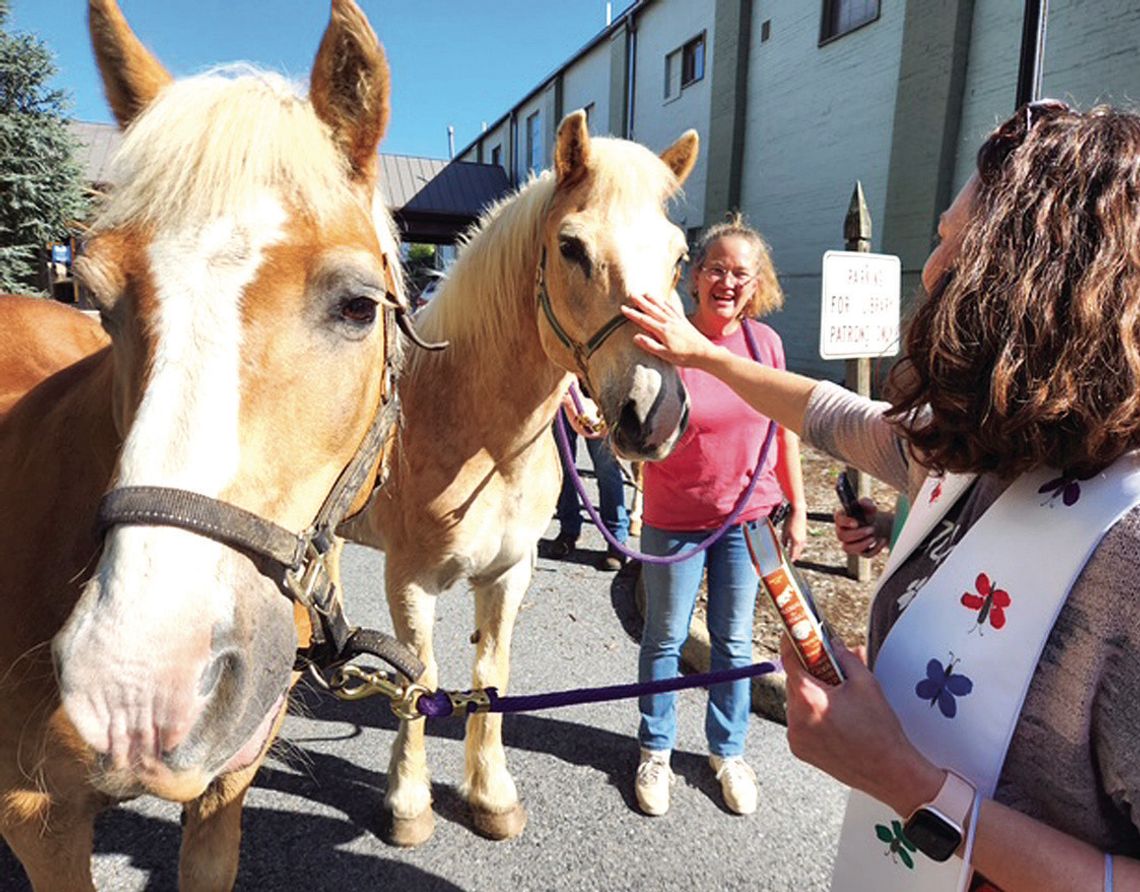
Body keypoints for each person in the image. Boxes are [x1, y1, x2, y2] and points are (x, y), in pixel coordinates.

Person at [623, 102, 1140, 890]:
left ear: (1041, 284)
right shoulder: (987, 447)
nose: (929, 271)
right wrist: (705, 355)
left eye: (954, 244)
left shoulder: (1128, 556)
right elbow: (832, 414)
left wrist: (907, 782)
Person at [633, 215, 806, 818]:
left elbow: (784, 429)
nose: (727, 283)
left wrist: (797, 507)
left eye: (740, 273)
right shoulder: (665, 338)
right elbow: (632, 416)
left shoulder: (766, 346)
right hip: (675, 516)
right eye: (716, 269)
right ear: (694, 277)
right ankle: (655, 748)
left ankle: (727, 752)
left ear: (757, 283)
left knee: (733, 641)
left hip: (747, 518)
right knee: (665, 636)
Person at [552, 383, 631, 571]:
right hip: (564, 391)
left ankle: (616, 539)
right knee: (563, 465)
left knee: (606, 468)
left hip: (598, 391)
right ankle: (568, 529)